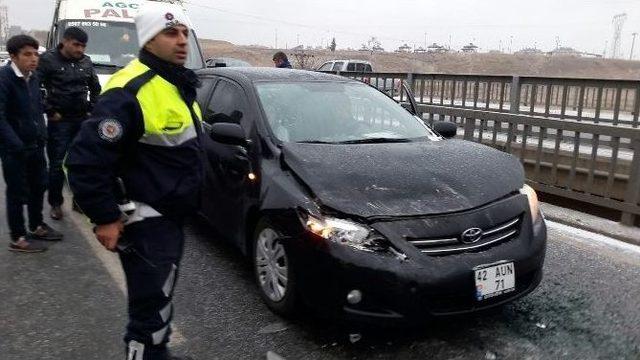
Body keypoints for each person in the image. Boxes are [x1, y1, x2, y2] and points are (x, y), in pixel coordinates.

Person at [65, 2, 203, 359]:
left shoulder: (175, 84)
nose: (182, 40)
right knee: (148, 316)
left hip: (169, 218)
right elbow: (83, 160)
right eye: (170, 33)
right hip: (145, 223)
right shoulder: (131, 88)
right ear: (148, 41)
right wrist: (105, 218)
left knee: (160, 303)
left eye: (185, 32)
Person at [0, 35, 63, 252]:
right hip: (15, 149)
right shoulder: (4, 78)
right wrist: (15, 144)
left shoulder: (33, 77)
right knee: (17, 193)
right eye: (27, 54)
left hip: (36, 145)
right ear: (13, 56)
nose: (34, 59)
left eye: (36, 54)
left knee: (39, 186)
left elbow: (35, 107)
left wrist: (48, 118)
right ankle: (18, 237)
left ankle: (36, 226)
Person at [37, 27, 101, 220]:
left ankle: (79, 201)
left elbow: (95, 88)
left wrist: (92, 109)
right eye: (76, 45)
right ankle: (56, 204)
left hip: (82, 120)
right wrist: (49, 110)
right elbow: (35, 87)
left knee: (81, 164)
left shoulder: (86, 61)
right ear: (65, 41)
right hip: (60, 122)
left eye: (83, 46)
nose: (80, 49)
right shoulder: (48, 60)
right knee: (57, 165)